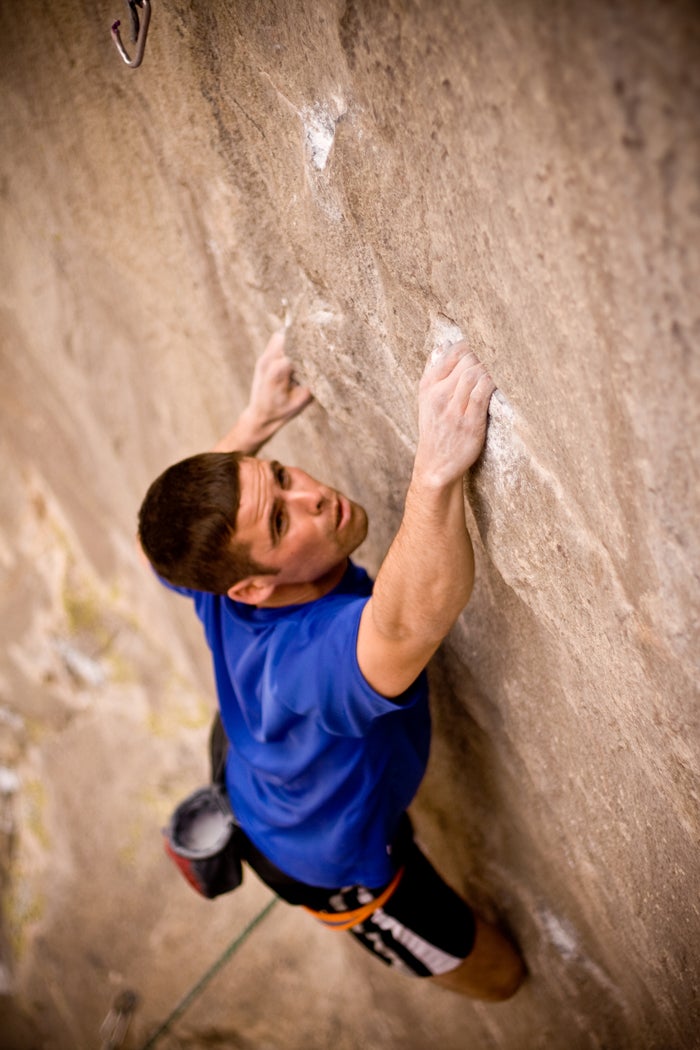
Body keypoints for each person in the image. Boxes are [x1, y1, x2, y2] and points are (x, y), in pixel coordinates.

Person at [138, 329, 524, 1000]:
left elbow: (158, 550)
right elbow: (404, 625)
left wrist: (258, 420)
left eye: (283, 477)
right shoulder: (307, 664)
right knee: (500, 977)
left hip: (250, 754)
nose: (312, 497)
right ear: (249, 587)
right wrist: (435, 472)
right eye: (282, 525)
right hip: (324, 858)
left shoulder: (210, 572)